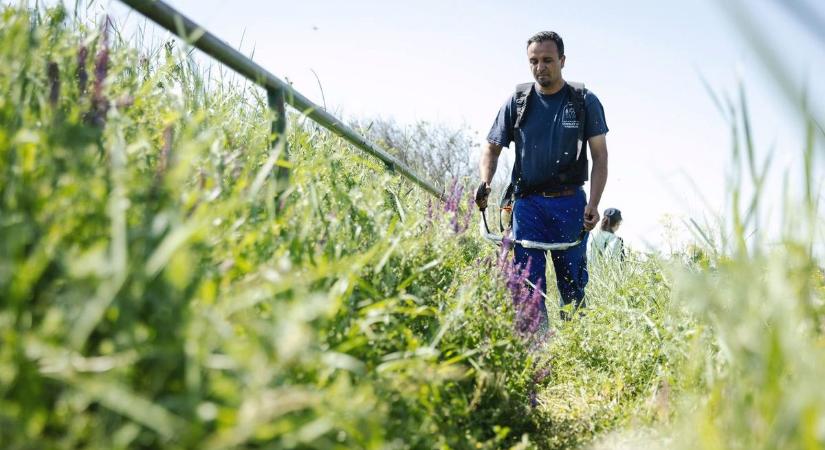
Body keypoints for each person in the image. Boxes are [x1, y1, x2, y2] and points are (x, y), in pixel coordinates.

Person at [475, 31, 609, 324]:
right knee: (528, 288)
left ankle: (574, 349)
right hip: (528, 206)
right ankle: (537, 352)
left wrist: (594, 204)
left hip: (570, 205)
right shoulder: (517, 102)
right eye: (534, 61)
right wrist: (486, 183)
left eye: (547, 60)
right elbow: (491, 148)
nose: (540, 67)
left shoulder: (584, 101)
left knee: (572, 287)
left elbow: (600, 156)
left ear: (562, 60)